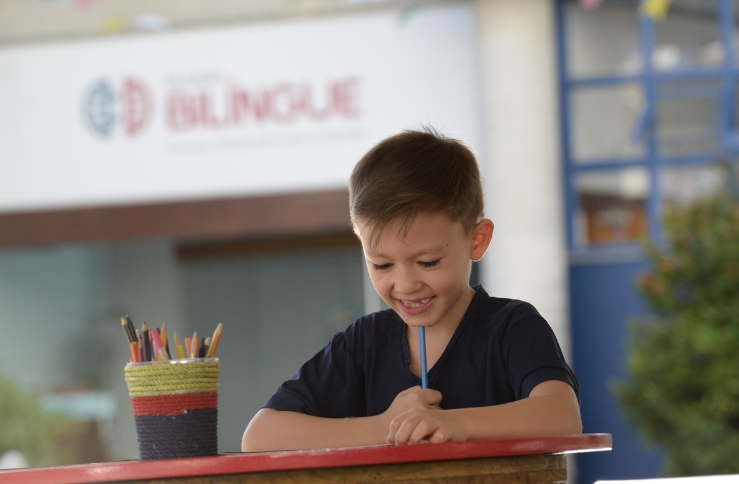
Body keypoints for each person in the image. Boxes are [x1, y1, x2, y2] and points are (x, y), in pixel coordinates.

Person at [241, 127, 581, 451]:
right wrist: (387, 425)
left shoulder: (513, 326)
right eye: (382, 265)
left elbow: (562, 415)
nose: (405, 285)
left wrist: (456, 425)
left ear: (477, 240)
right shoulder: (363, 345)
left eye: (428, 262)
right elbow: (260, 436)